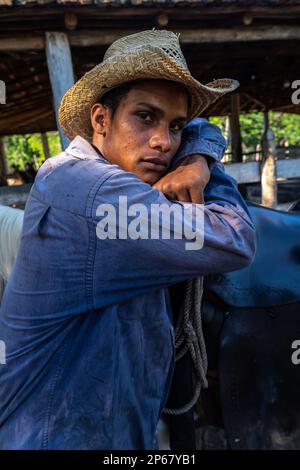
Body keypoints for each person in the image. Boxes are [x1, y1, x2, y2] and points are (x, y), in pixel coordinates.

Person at [0, 29, 256, 450]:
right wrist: (203, 168)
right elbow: (235, 237)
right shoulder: (91, 190)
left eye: (175, 126)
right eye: (145, 117)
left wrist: (197, 154)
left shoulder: (84, 177)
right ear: (101, 120)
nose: (163, 141)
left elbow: (201, 128)